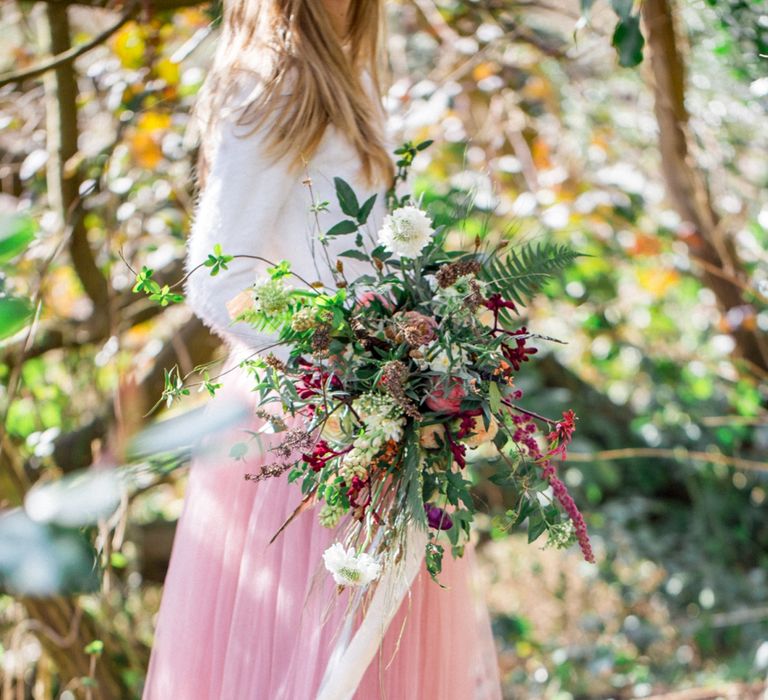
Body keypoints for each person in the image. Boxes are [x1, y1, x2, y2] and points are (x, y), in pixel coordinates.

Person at [143, 1, 501, 697]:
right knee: (312, 662)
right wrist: (344, 374)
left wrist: (420, 345)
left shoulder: (349, 69)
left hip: (376, 421)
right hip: (306, 423)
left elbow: (360, 254)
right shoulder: (275, 81)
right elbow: (216, 280)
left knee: (383, 660)